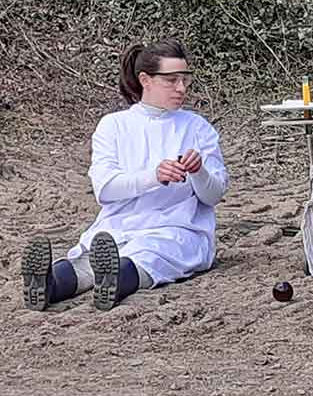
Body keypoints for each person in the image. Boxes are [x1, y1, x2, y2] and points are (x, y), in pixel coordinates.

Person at [21, 41, 229, 312]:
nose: (181, 88)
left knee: (147, 257)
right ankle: (49, 284)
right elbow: (105, 189)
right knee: (90, 260)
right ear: (145, 80)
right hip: (119, 225)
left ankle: (113, 283)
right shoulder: (113, 125)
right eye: (172, 80)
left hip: (178, 227)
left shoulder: (197, 127)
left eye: (185, 79)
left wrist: (199, 171)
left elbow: (214, 196)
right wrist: (153, 176)